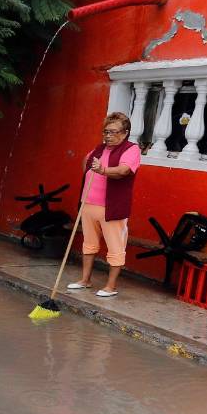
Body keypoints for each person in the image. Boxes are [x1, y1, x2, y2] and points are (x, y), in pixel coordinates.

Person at [67, 111, 140, 297]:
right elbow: (86, 163)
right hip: (88, 204)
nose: (108, 136)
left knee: (116, 247)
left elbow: (123, 171)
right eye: (106, 132)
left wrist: (103, 170)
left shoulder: (131, 149)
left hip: (111, 207)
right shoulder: (99, 148)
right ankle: (85, 280)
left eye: (113, 132)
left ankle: (111, 286)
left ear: (125, 133)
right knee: (89, 244)